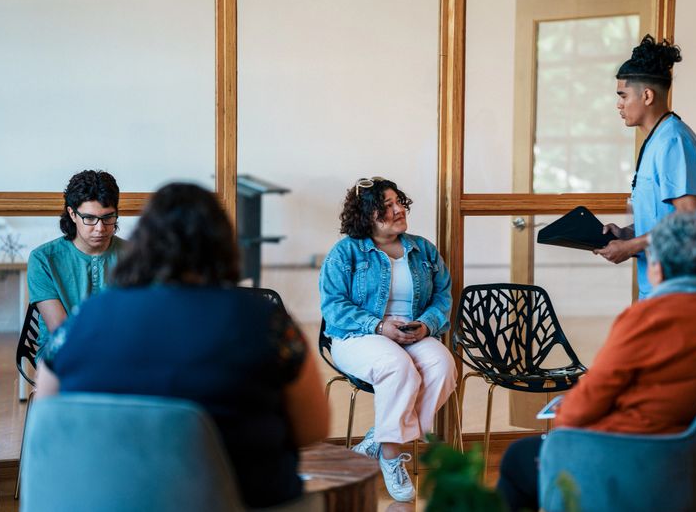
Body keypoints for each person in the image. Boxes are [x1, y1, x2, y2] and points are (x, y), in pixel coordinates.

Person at [36, 183, 329, 510]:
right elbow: (312, 429)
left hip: (112, 499)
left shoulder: (83, 321)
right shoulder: (266, 321)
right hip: (241, 500)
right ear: (223, 244)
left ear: (143, 244)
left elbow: (48, 414)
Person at [497, 212, 696, 511]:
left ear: (657, 268)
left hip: (639, 464)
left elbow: (578, 413)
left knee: (519, 458)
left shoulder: (649, 319)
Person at [319, 177, 457, 502]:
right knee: (398, 367)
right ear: (367, 216)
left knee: (443, 366)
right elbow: (333, 307)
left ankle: (380, 440)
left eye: (399, 202)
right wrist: (379, 326)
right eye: (387, 206)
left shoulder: (422, 249)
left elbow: (443, 296)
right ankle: (392, 455)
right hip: (357, 335)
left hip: (411, 332)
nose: (398, 210)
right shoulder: (345, 253)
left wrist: (426, 325)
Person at [593, 35, 696, 298]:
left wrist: (629, 247)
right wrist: (627, 233)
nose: (619, 104)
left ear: (647, 95)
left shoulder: (673, 142)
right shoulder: (657, 141)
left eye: (623, 95)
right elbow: (664, 218)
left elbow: (690, 221)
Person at [27, 170, 126, 352]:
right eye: (89, 218)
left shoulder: (135, 256)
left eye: (108, 217)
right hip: (63, 353)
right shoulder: (43, 259)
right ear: (72, 214)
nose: (100, 228)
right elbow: (61, 331)